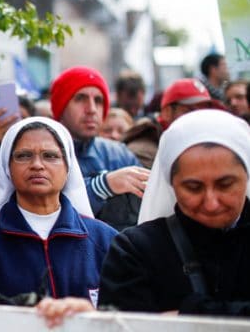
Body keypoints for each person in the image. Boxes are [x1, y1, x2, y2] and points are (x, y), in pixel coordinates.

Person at [99, 109, 250, 315]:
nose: (212, 202)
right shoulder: (135, 250)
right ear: (172, 184)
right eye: (193, 187)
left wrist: (188, 313)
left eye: (225, 184)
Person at [0, 117, 117, 304]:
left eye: (50, 156)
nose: (37, 165)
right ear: (7, 167)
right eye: (24, 156)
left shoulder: (104, 240)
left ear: (68, 168)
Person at [49, 66, 147, 229]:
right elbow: (45, 209)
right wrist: (103, 185)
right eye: (80, 98)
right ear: (61, 106)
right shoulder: (41, 153)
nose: (92, 109)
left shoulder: (118, 152)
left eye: (99, 101)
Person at [124, 78, 222, 169]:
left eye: (203, 111)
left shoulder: (196, 144)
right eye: (189, 111)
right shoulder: (144, 153)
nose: (197, 117)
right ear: (167, 112)